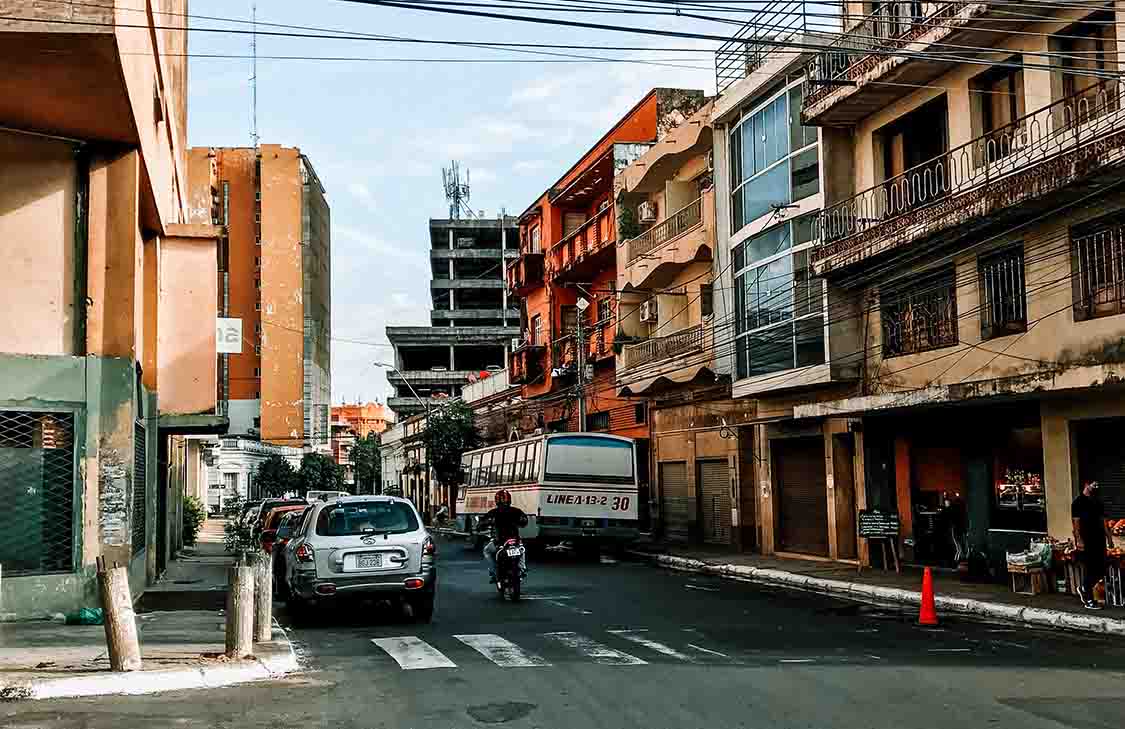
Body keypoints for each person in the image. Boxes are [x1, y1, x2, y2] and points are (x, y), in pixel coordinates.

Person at [1072, 480, 1115, 610]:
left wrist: (1109, 539)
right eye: (1094, 485)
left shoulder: (1098, 502)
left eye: (1097, 485)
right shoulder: (1078, 503)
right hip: (1086, 540)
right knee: (1090, 568)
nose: (1096, 487)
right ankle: (1089, 599)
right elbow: (1076, 523)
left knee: (1102, 568)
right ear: (1086, 485)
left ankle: (1084, 587)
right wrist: (1079, 540)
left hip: (1099, 539)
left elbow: (1104, 521)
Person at [480, 489, 528, 582]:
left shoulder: (493, 512)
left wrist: (482, 525)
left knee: (487, 551)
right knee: (521, 550)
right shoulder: (516, 511)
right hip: (515, 540)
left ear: (496, 501)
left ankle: (494, 572)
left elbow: (483, 522)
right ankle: (522, 568)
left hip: (500, 541)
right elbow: (524, 522)